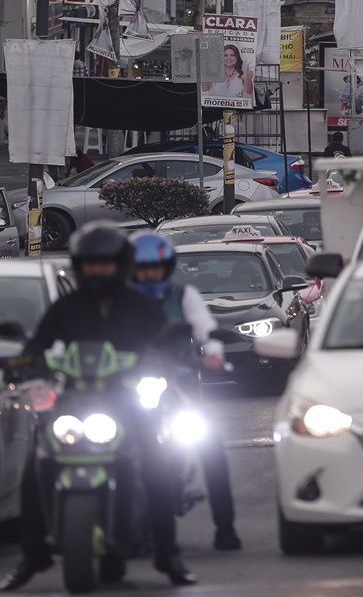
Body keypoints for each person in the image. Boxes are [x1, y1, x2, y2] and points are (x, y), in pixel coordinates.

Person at [0, 224, 195, 590]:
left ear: (120, 265)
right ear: (79, 265)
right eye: (90, 265)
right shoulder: (66, 306)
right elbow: (38, 344)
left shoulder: (142, 306)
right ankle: (31, 555)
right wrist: (27, 361)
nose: (98, 271)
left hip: (126, 401)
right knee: (36, 465)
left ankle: (168, 555)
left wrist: (166, 356)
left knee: (156, 466)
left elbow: (165, 342)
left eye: (105, 264)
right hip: (73, 400)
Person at [128, 232, 242, 552]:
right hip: (129, 385)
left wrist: (214, 352)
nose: (150, 275)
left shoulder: (182, 295)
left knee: (209, 445)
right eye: (143, 268)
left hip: (177, 383)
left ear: (167, 267)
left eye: (156, 268)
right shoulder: (120, 300)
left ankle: (226, 528)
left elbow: (205, 326)